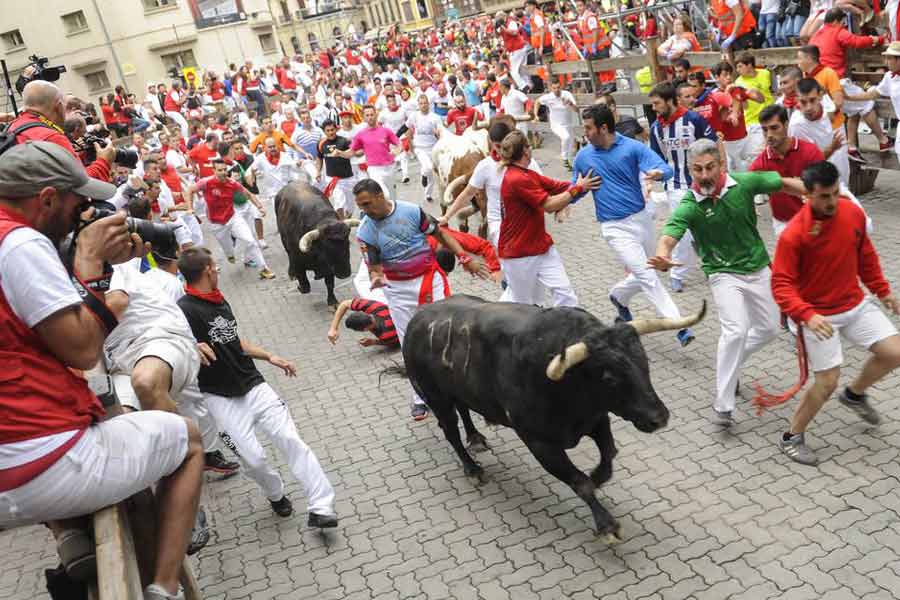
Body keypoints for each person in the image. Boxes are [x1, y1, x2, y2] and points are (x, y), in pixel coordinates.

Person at [0, 141, 203, 600]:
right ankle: (164, 588)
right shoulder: (18, 241)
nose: (82, 212)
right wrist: (90, 263)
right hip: (35, 460)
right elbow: (83, 350)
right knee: (187, 438)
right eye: (79, 201)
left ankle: (71, 536)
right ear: (47, 198)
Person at [648, 138, 806, 427]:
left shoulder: (743, 183)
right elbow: (671, 232)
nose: (705, 175)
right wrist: (662, 255)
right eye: (697, 170)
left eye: (710, 167)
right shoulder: (690, 204)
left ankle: (729, 368)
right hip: (722, 273)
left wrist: (817, 193)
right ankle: (723, 406)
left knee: (770, 329)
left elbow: (781, 182)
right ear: (690, 170)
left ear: (721, 165)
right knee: (735, 330)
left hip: (758, 268)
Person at [176, 247, 338, 527]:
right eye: (215, 266)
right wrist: (188, 345)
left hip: (254, 385)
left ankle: (322, 507)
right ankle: (275, 494)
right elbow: (170, 342)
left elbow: (233, 340)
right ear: (206, 271)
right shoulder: (182, 311)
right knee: (254, 460)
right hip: (219, 398)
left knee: (291, 441)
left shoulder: (219, 300)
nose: (217, 270)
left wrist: (270, 356)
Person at [771, 161, 900, 465]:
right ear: (807, 195)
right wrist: (806, 315)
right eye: (824, 196)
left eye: (835, 193)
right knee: (827, 382)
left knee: (894, 352)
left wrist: (883, 292)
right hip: (818, 317)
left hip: (854, 304)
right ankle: (792, 437)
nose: (832, 202)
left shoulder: (852, 212)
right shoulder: (793, 234)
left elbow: (865, 256)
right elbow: (781, 285)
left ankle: (854, 395)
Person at [353, 178, 488, 420]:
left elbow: (441, 234)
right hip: (397, 290)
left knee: (450, 332)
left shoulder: (412, 211)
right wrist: (376, 277)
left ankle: (465, 385)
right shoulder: (365, 231)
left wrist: (465, 257)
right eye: (360, 206)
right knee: (410, 343)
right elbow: (373, 265)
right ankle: (420, 397)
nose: (364, 210)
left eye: (366, 204)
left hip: (428, 280)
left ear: (380, 196)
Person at [572, 105, 695, 347]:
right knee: (647, 275)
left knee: (647, 271)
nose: (584, 133)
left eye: (588, 128)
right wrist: (577, 190)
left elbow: (666, 169)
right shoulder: (583, 157)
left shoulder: (633, 147)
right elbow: (573, 190)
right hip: (613, 227)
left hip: (641, 220)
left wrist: (658, 174)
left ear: (603, 128)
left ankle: (618, 297)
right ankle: (678, 325)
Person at [497, 130, 600, 307]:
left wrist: (582, 183)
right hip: (519, 254)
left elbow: (558, 187)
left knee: (565, 293)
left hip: (541, 247)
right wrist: (578, 189)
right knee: (523, 305)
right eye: (529, 146)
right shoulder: (516, 178)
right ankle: (492, 322)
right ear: (526, 151)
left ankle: (567, 330)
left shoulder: (528, 174)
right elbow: (549, 205)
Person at [647, 83, 717, 292]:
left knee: (706, 227)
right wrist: (656, 175)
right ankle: (677, 274)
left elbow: (711, 145)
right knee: (684, 232)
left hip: (702, 183)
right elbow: (657, 158)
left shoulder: (693, 119)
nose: (653, 108)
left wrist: (717, 174)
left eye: (657, 103)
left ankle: (711, 265)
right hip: (676, 186)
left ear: (669, 101)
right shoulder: (656, 128)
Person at [183, 159, 275, 279]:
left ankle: (264, 269)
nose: (223, 172)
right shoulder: (206, 182)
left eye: (225, 169)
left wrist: (260, 207)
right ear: (214, 171)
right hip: (216, 223)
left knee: (251, 241)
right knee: (228, 249)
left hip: (233, 217)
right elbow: (190, 190)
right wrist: (190, 208)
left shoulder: (232, 183)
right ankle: (229, 254)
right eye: (220, 170)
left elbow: (249, 194)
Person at [7, 81, 115, 182]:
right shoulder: (51, 137)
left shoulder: (12, 127)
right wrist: (104, 161)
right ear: (58, 107)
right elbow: (81, 184)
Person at [750, 104, 825, 239]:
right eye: (764, 130)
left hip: (813, 221)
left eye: (774, 128)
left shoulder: (810, 151)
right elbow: (745, 186)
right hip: (782, 224)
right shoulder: (761, 162)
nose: (769, 135)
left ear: (786, 125)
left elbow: (822, 189)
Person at [332, 105, 402, 201]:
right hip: (374, 169)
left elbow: (399, 143)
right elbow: (351, 152)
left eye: (372, 114)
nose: (370, 117)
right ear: (364, 117)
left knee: (393, 197)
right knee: (385, 194)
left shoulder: (386, 131)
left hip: (389, 167)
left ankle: (392, 213)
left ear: (376, 115)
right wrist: (339, 153)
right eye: (367, 115)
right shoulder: (361, 135)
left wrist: (397, 151)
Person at [789, 78, 850, 186]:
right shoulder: (797, 125)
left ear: (820, 96)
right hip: (816, 179)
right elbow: (809, 164)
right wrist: (832, 148)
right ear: (796, 99)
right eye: (803, 102)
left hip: (838, 166)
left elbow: (830, 109)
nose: (809, 107)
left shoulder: (826, 104)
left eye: (812, 100)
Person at [406, 94, 443, 203]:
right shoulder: (414, 116)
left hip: (433, 148)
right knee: (427, 167)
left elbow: (440, 132)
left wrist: (437, 134)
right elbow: (407, 129)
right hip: (419, 147)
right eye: (421, 103)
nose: (423, 105)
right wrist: (409, 145)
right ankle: (423, 175)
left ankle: (428, 194)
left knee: (431, 173)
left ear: (428, 104)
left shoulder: (435, 117)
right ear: (418, 105)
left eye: (425, 103)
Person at [534, 80, 578, 170]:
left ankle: (569, 164)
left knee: (569, 144)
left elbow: (576, 110)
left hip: (568, 124)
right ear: (551, 88)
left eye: (558, 87)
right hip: (556, 125)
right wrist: (536, 115)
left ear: (561, 87)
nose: (556, 90)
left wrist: (570, 103)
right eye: (554, 88)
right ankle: (564, 159)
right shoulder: (548, 97)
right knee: (566, 137)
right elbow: (537, 102)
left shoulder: (567, 94)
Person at [317, 120, 357, 219]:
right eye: (328, 130)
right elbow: (319, 158)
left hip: (348, 178)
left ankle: (347, 218)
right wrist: (318, 171)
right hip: (333, 179)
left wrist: (341, 153)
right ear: (324, 131)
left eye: (332, 130)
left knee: (350, 206)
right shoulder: (321, 144)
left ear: (336, 129)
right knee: (339, 202)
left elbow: (353, 152)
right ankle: (341, 224)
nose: (331, 132)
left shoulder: (344, 141)